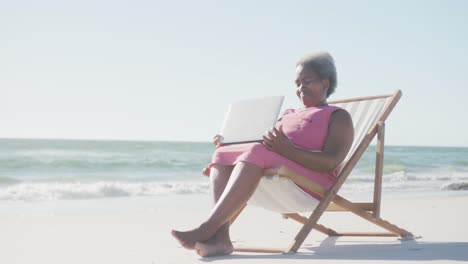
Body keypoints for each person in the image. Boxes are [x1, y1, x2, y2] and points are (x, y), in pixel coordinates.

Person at [171, 52, 354, 257]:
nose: (300, 88)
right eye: (297, 83)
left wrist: (288, 150)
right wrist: (230, 140)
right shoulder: (288, 114)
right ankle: (221, 238)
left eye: (307, 81)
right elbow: (262, 147)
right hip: (278, 176)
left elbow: (331, 163)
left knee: (257, 151)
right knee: (222, 153)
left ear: (325, 83)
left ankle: (207, 228)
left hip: (311, 185)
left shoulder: (337, 116)